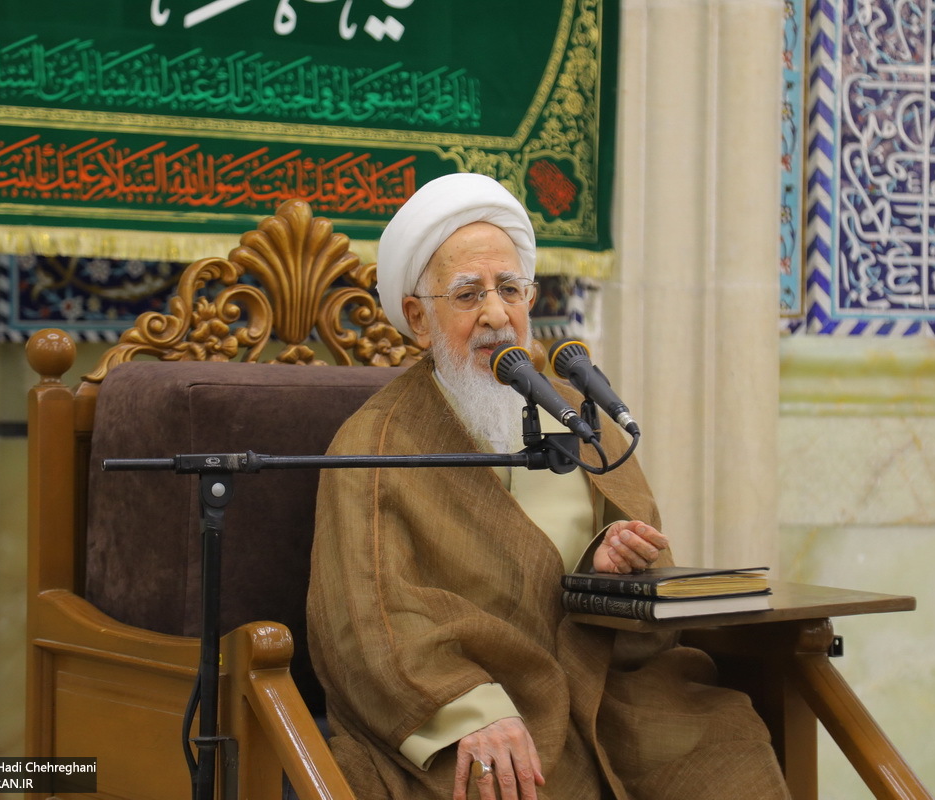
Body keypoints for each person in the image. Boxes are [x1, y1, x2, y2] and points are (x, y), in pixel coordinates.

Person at [306, 173, 789, 800]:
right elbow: (363, 619)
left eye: (510, 289)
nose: (496, 315)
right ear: (420, 319)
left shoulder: (581, 420)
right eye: (468, 294)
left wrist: (610, 566)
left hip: (610, 693)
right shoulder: (374, 443)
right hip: (484, 711)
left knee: (728, 746)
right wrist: (470, 711)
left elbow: (653, 580)